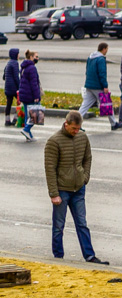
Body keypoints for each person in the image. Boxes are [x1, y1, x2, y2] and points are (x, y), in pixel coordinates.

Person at [43, 111, 106, 265]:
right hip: (62, 190)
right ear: (66, 124)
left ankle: (90, 256)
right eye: (73, 128)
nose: (76, 131)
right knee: (58, 226)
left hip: (78, 189)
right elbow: (50, 169)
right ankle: (58, 257)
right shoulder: (54, 141)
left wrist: (85, 177)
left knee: (82, 224)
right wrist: (53, 193)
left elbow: (87, 158)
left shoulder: (82, 137)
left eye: (78, 128)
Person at [80, 42, 115, 129]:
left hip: (89, 85)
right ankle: (114, 124)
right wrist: (105, 86)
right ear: (104, 49)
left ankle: (75, 122)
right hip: (97, 86)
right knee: (107, 104)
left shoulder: (90, 57)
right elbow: (102, 73)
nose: (107, 51)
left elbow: (87, 71)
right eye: (107, 49)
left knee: (84, 106)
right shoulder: (101, 59)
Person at [18, 49, 40, 142]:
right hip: (30, 95)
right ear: (31, 57)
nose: (37, 58)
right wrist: (36, 96)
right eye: (36, 57)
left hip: (24, 94)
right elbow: (34, 84)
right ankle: (26, 130)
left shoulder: (24, 67)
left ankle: (29, 136)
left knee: (28, 116)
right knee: (36, 114)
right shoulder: (32, 68)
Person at [3, 46, 19, 126]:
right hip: (14, 88)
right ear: (15, 55)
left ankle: (7, 120)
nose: (19, 55)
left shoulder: (8, 63)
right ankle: (15, 119)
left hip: (7, 87)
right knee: (20, 102)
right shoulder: (15, 63)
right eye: (18, 54)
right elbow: (16, 76)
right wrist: (19, 86)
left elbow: (4, 76)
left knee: (9, 104)